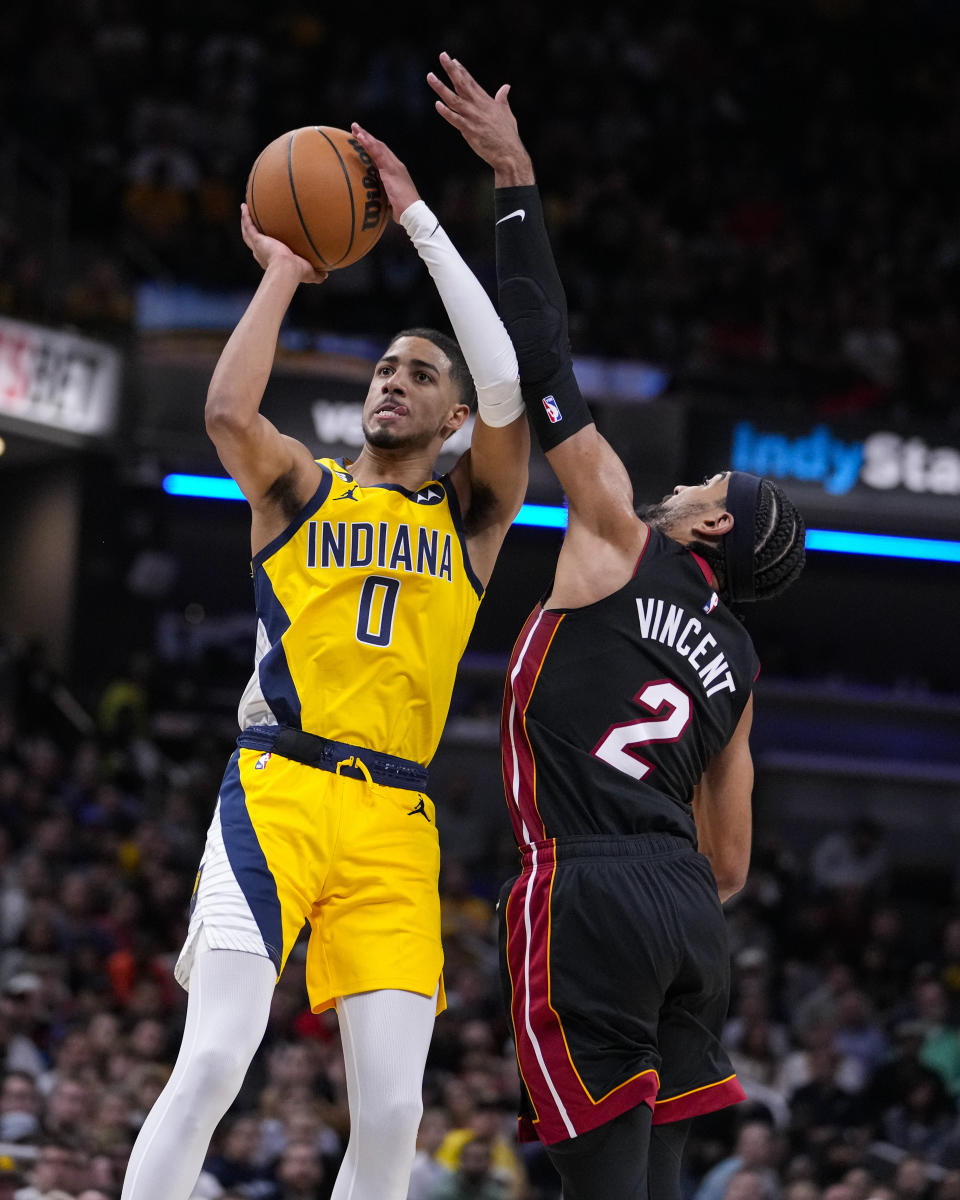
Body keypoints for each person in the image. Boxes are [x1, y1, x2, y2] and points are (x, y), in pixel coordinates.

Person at [119, 125, 530, 1200]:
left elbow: (508, 386)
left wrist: (423, 224)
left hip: (395, 823)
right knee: (212, 1059)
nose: (394, 381)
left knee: (394, 1113)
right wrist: (286, 277)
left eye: (419, 373)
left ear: (450, 418)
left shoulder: (474, 518)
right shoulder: (305, 490)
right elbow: (223, 412)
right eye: (386, 367)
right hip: (277, 792)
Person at [427, 53, 806, 1200]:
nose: (688, 481)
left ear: (710, 527)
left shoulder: (616, 535)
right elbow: (730, 862)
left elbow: (545, 366)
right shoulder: (737, 664)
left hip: (588, 886)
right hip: (690, 918)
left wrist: (517, 183)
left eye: (708, 484)